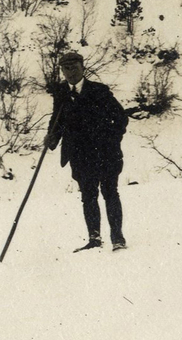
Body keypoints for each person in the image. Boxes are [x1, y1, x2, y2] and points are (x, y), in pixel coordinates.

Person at [45, 52, 129, 252]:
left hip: (105, 153)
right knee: (88, 195)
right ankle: (94, 239)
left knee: (110, 193)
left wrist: (111, 140)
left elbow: (121, 118)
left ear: (83, 67)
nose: (70, 72)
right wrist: (52, 137)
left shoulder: (99, 91)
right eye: (66, 68)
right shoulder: (61, 93)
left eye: (74, 67)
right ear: (62, 71)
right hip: (79, 155)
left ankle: (117, 238)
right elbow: (57, 120)